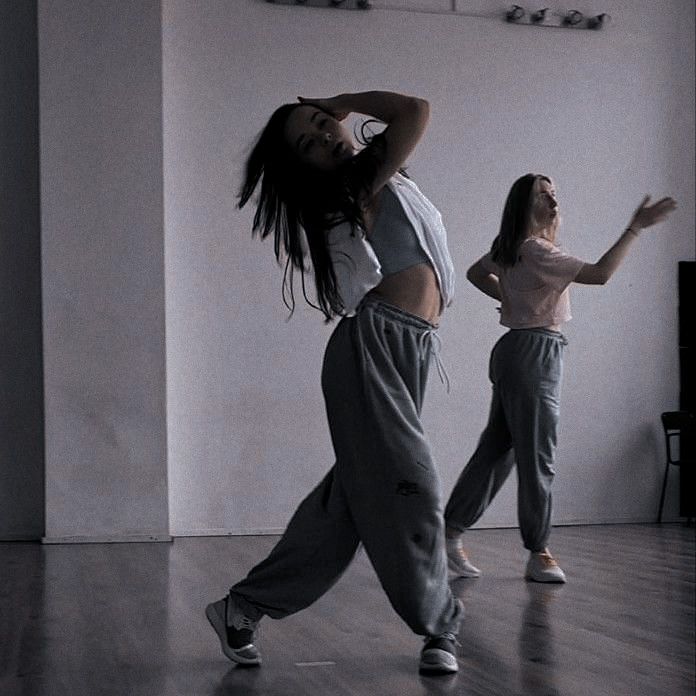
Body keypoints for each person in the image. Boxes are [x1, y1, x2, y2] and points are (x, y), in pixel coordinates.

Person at [205, 91, 462, 675]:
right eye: (309, 142)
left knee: (348, 502)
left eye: (324, 125)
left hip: (408, 348)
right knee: (411, 486)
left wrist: (331, 112)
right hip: (373, 346)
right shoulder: (352, 184)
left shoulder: (377, 178)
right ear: (303, 166)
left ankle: (242, 608)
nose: (326, 137)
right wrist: (340, 102)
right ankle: (441, 626)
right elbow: (416, 109)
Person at [444, 174, 676, 583]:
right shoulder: (538, 250)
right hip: (534, 354)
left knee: (498, 450)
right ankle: (539, 552)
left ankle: (448, 535)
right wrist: (635, 227)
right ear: (523, 204)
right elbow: (601, 274)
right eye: (542, 193)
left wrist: (513, 301)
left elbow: (474, 274)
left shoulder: (511, 247)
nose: (553, 198)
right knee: (538, 455)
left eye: (554, 192)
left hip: (515, 350)